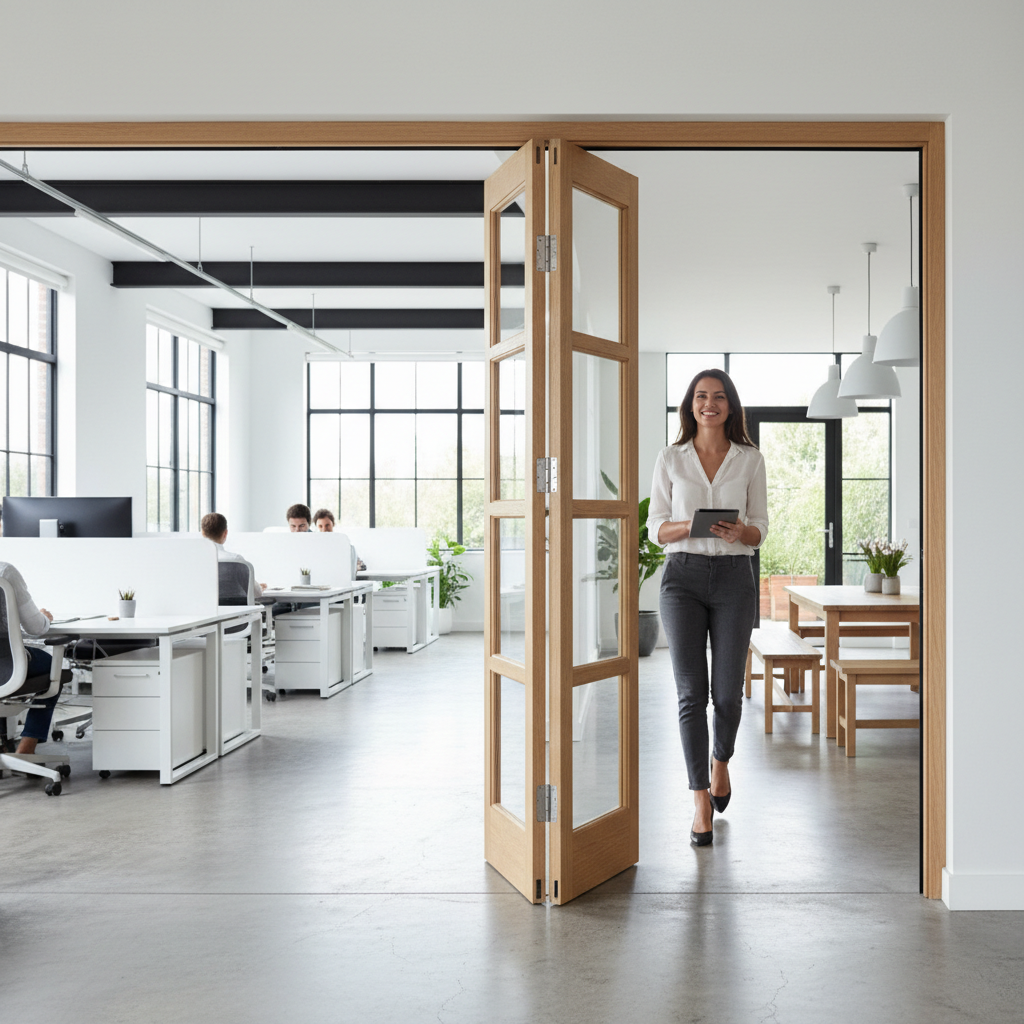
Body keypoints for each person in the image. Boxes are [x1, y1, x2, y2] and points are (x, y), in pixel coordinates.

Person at [647, 370, 768, 847]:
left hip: (735, 581)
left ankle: (721, 763)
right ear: (690, 406)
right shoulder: (670, 458)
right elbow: (657, 525)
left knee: (728, 694)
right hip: (682, 579)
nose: (709, 404)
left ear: (731, 406)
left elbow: (760, 526)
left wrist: (742, 533)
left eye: (718, 397)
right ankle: (700, 798)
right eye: (701, 397)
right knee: (690, 694)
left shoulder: (750, 459)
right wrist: (692, 527)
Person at [0, 561, 61, 756]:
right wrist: (44, 617)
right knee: (54, 668)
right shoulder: (5, 572)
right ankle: (26, 748)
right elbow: (35, 627)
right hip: (5, 668)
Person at [201, 512, 265, 597]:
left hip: (202, 610)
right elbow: (255, 593)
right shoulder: (236, 560)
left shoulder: (195, 560)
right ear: (225, 533)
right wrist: (259, 587)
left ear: (202, 533)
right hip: (235, 610)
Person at [313, 507, 366, 572]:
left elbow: (361, 565)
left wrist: (354, 567)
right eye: (320, 526)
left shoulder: (343, 543)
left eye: (327, 525)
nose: (324, 530)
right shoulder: (314, 547)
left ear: (333, 524)